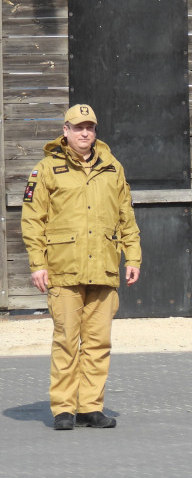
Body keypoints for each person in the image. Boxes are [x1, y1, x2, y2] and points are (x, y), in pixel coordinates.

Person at [21, 104, 141, 430]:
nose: (84, 132)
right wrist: (37, 264)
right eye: (77, 127)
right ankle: (63, 409)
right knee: (66, 339)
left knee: (99, 342)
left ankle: (90, 406)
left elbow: (125, 217)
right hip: (63, 269)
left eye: (89, 127)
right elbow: (33, 220)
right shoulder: (46, 169)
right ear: (65, 131)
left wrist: (133, 257)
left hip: (103, 267)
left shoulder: (112, 168)